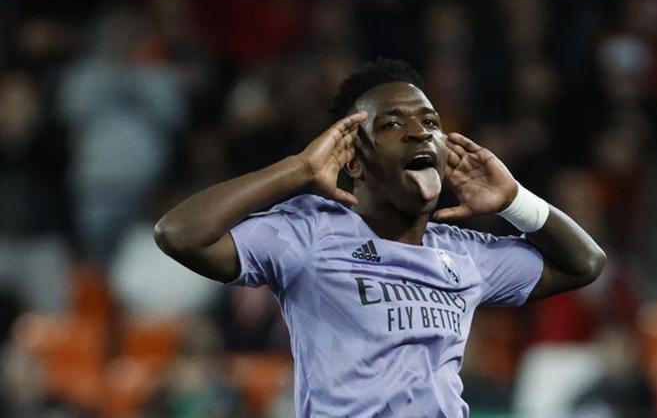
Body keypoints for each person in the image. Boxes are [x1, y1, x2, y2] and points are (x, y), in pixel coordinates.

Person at [153, 58, 606, 417]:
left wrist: (514, 201)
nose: (419, 132)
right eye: (391, 124)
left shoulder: (464, 253)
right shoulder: (309, 233)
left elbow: (585, 263)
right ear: (354, 159)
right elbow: (180, 234)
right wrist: (299, 169)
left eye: (430, 121)